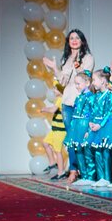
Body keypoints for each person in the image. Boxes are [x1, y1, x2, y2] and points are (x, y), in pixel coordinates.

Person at [43, 29, 94, 183]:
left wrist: (77, 66)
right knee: (71, 137)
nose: (74, 40)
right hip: (67, 102)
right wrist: (55, 68)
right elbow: (63, 82)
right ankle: (73, 170)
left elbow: (86, 77)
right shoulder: (67, 59)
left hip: (81, 102)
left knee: (82, 136)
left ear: (82, 41)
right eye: (71, 38)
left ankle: (86, 171)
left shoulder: (88, 57)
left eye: (77, 38)